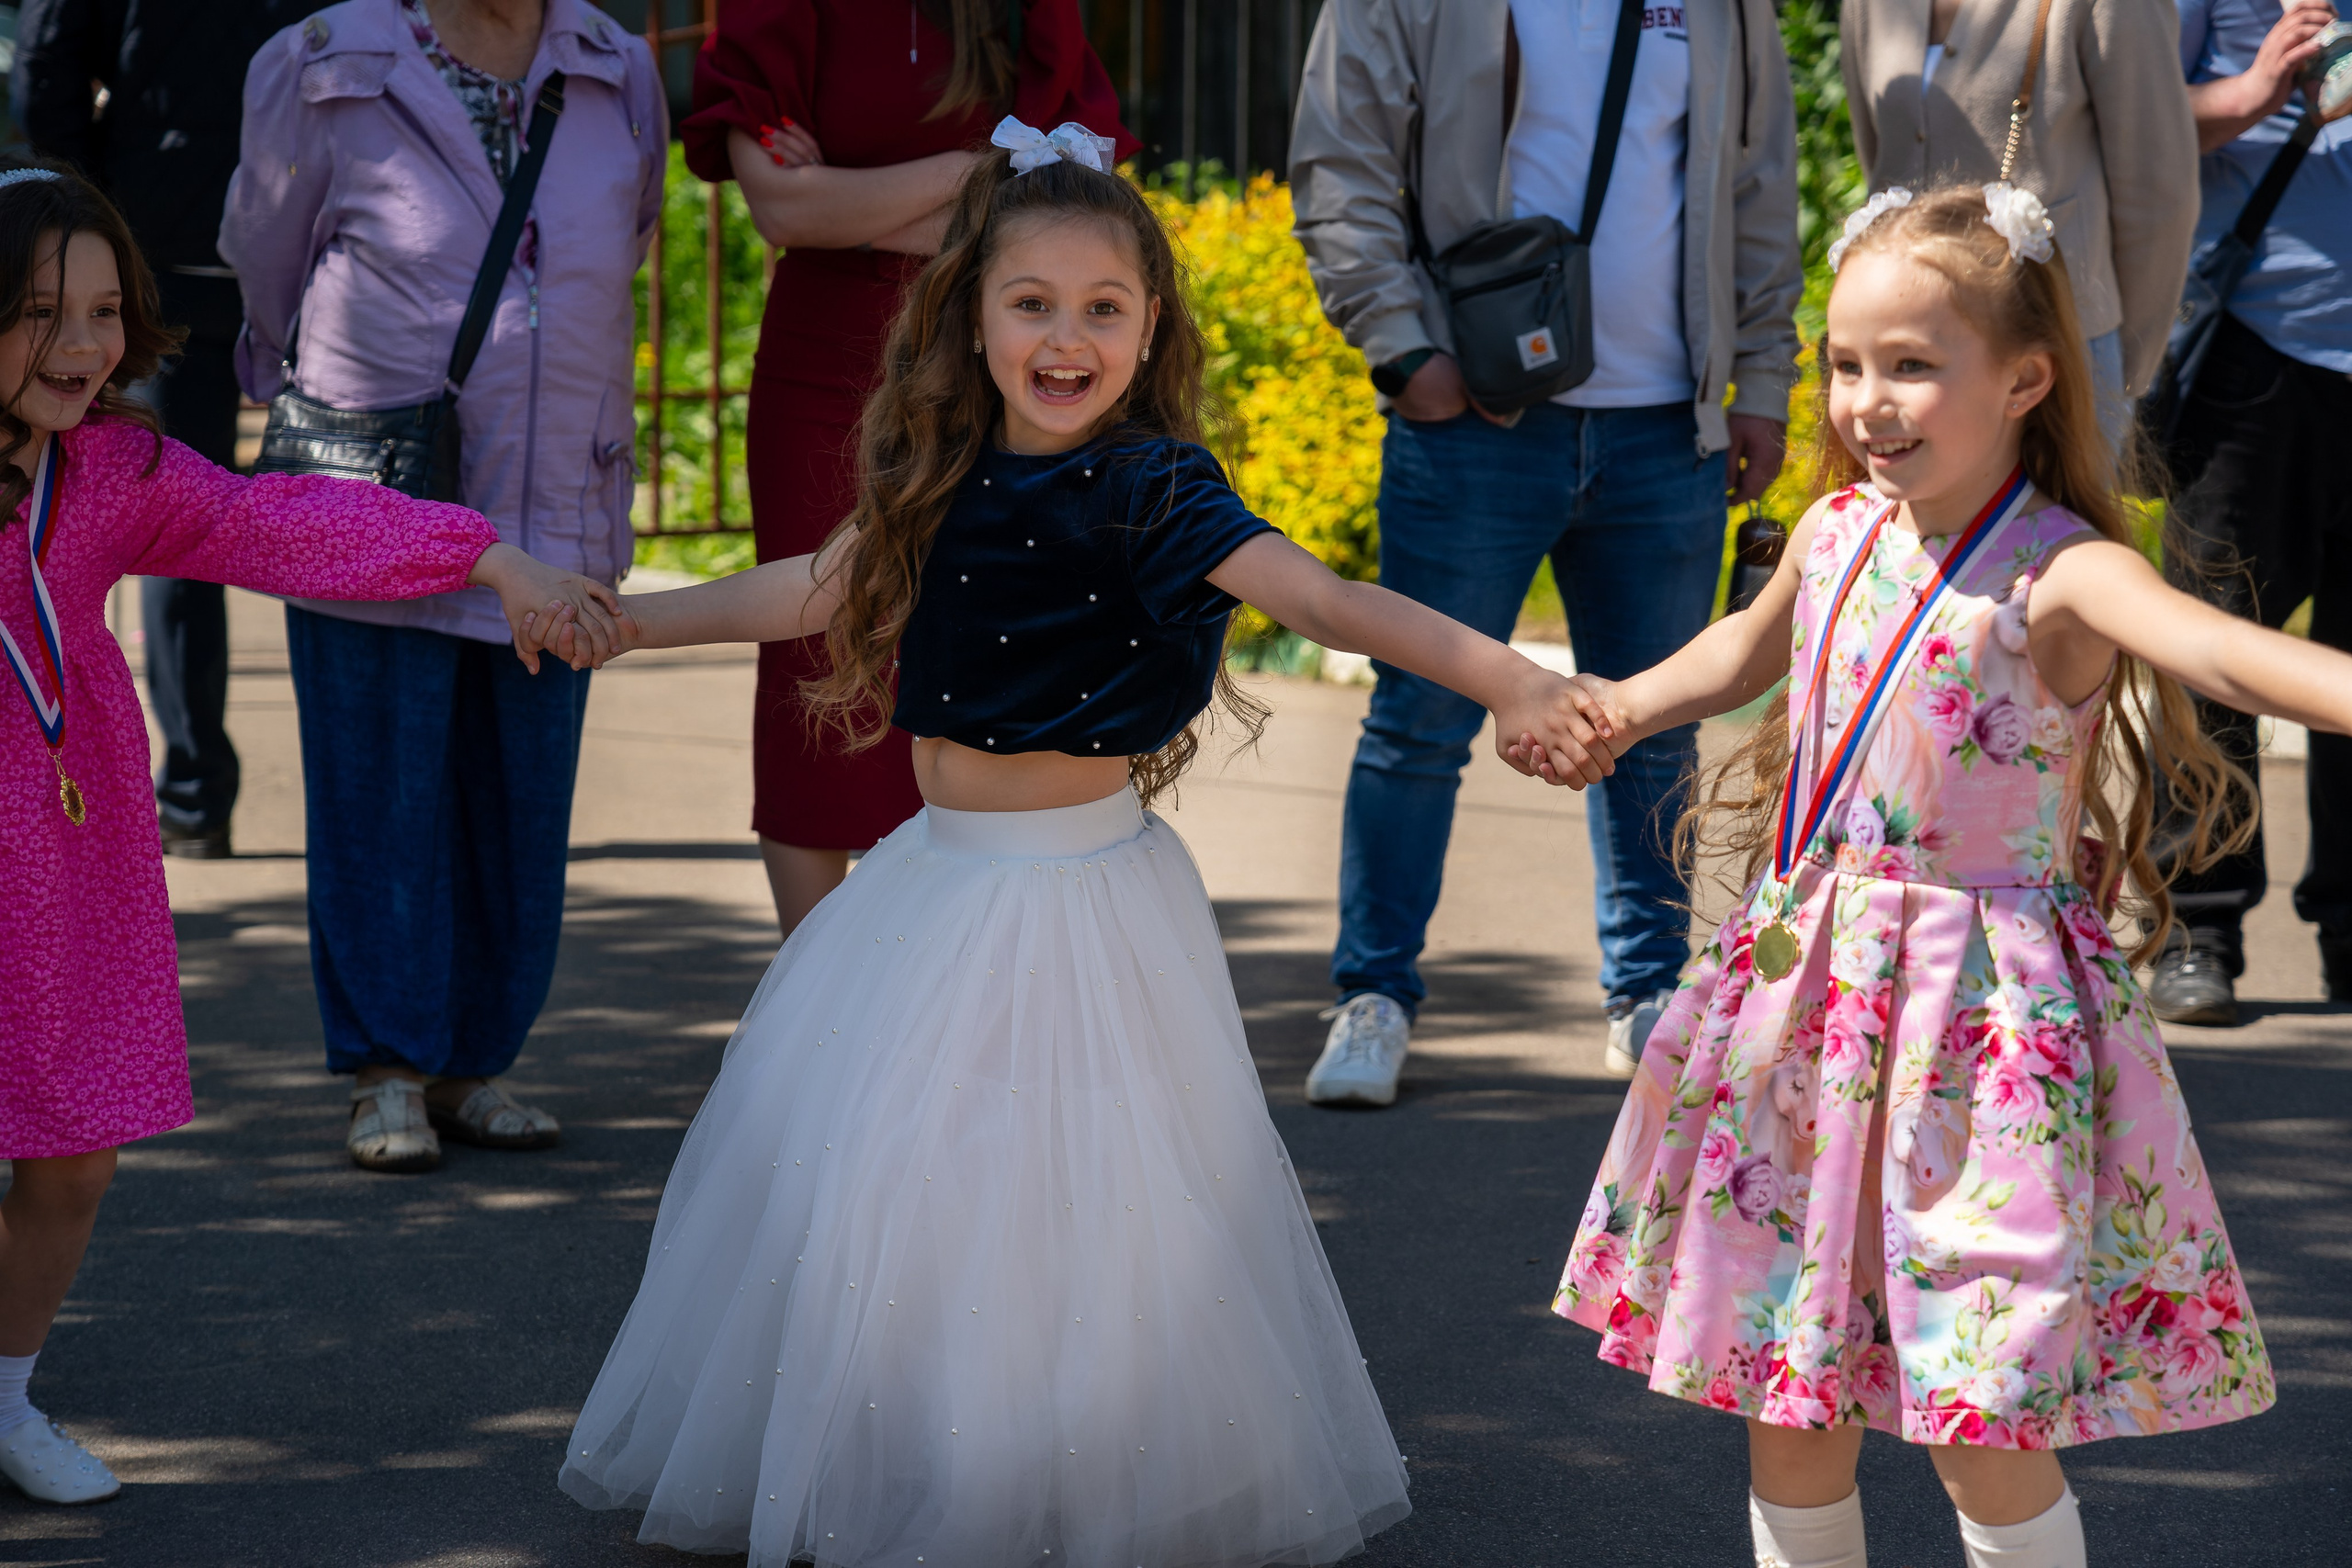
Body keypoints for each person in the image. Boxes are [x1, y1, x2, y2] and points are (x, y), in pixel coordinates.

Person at [553, 127, 1621, 1565]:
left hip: (1081, 903)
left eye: (1103, 307)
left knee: (1069, 1204)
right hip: (929, 888)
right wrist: (629, 620)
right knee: (899, 1191)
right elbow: (813, 588)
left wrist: (1513, 678)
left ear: (1151, 324)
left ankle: (1040, 1482)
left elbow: (1326, 600)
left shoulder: (1157, 489)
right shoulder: (939, 472)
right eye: (1033, 303)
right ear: (971, 318)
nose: (1067, 338)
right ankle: (921, 1463)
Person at [1547, 184, 2350, 1568]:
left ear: (2025, 378)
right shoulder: (1834, 531)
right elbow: (1742, 653)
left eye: (1913, 364)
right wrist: (1617, 706)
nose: (1869, 401)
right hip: (1810, 1011)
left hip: (1979, 1035)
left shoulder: (2064, 574)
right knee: (1788, 1396)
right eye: (1846, 364)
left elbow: (2220, 650)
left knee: (1981, 1409)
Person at [0, 158, 616, 1507]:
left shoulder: (112, 470)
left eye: (103, 311)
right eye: (40, 312)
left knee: (72, 1151)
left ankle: (8, 1393)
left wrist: (485, 557)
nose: (82, 345)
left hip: (63, 855)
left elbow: (274, 518)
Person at [1288, 0, 1804, 1103]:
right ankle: (1373, 995)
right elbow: (1341, 159)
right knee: (1418, 722)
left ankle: (1649, 992)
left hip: (1666, 425)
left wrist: (1760, 378)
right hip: (1475, 419)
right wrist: (1401, 349)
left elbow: (1759, 187)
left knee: (1652, 726)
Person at [219, 0, 664, 1173]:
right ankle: (388, 1069)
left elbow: (629, 237)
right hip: (382, 485)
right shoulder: (323, 63)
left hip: (557, 495)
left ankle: (474, 1064)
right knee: (378, 790)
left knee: (520, 800)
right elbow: (265, 258)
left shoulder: (616, 66)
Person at [681, 0, 1134, 938]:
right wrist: (984, 174)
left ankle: (944, 961)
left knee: (978, 641)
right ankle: (813, 980)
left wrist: (855, 202)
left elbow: (1069, 220)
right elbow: (784, 209)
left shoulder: (1030, 9)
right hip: (826, 362)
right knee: (814, 642)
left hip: (989, 364)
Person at [10, 0, 326, 857]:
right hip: (259, 254)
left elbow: (46, 70)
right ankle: (188, 789)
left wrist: (93, 217)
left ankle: (193, 792)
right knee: (201, 516)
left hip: (166, 252)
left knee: (212, 518)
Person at [2148, 0, 2352, 1025]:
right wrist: (2255, 90)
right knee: (2211, 654)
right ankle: (2197, 927)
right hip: (2253, 355)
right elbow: (2133, 122)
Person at [1840, 0, 2200, 452]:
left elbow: (2158, 196)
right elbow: (1878, 165)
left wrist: (2128, 371)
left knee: (2046, 502)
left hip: (2057, 355)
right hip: (1897, 358)